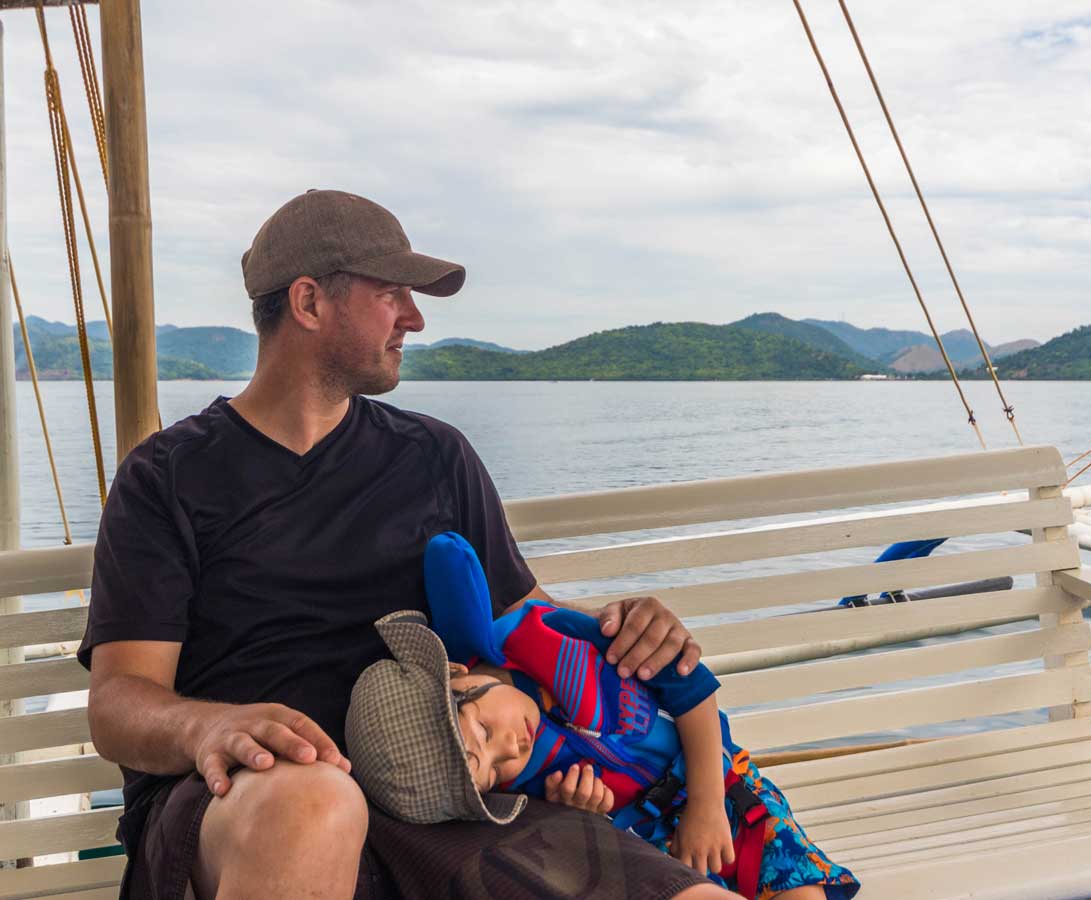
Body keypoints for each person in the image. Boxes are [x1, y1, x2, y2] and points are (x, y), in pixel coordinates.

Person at [78, 189, 741, 900]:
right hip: (248, 800)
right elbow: (119, 700)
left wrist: (630, 627)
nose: (415, 319)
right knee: (316, 800)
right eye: (392, 295)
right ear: (308, 303)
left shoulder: (433, 456)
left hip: (452, 794)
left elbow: (525, 626)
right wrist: (207, 726)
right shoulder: (169, 477)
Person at [345, 532, 860, 900]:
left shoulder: (549, 638)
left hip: (721, 786)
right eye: (492, 769)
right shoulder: (520, 776)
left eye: (483, 730)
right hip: (646, 836)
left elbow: (692, 691)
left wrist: (705, 805)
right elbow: (582, 823)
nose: (512, 749)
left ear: (458, 674)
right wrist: (581, 811)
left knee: (797, 887)